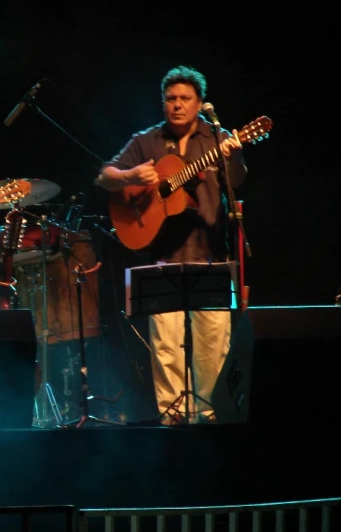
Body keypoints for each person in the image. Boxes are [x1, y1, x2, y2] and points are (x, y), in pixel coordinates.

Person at [94, 65, 247, 425]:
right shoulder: (146, 141)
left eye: (185, 99)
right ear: (163, 104)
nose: (177, 105)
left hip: (210, 254)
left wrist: (235, 154)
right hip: (162, 257)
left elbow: (237, 180)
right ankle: (172, 420)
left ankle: (208, 418)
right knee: (165, 346)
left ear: (200, 103)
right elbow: (105, 176)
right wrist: (131, 176)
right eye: (170, 99)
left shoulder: (217, 138)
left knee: (212, 344)